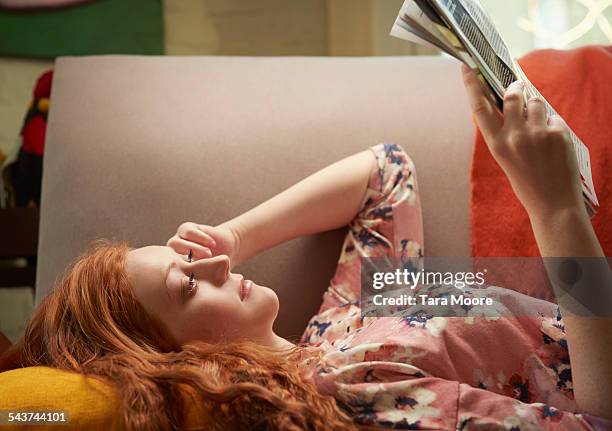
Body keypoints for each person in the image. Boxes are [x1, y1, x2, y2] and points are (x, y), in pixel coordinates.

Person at [1, 65, 610, 431]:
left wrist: (235, 235)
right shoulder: (355, 393)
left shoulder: (337, 324)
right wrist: (554, 210)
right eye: (187, 284)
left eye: (187, 256)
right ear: (181, 360)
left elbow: (384, 172)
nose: (214, 265)